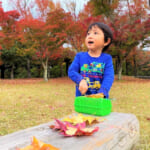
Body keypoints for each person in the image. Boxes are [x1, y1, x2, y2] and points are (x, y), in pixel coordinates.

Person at [68, 22, 114, 98]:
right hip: (83, 99)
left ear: (106, 41)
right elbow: (71, 71)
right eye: (88, 34)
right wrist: (80, 80)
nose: (90, 36)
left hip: (100, 100)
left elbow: (109, 77)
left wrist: (102, 92)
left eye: (95, 33)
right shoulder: (80, 56)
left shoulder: (107, 59)